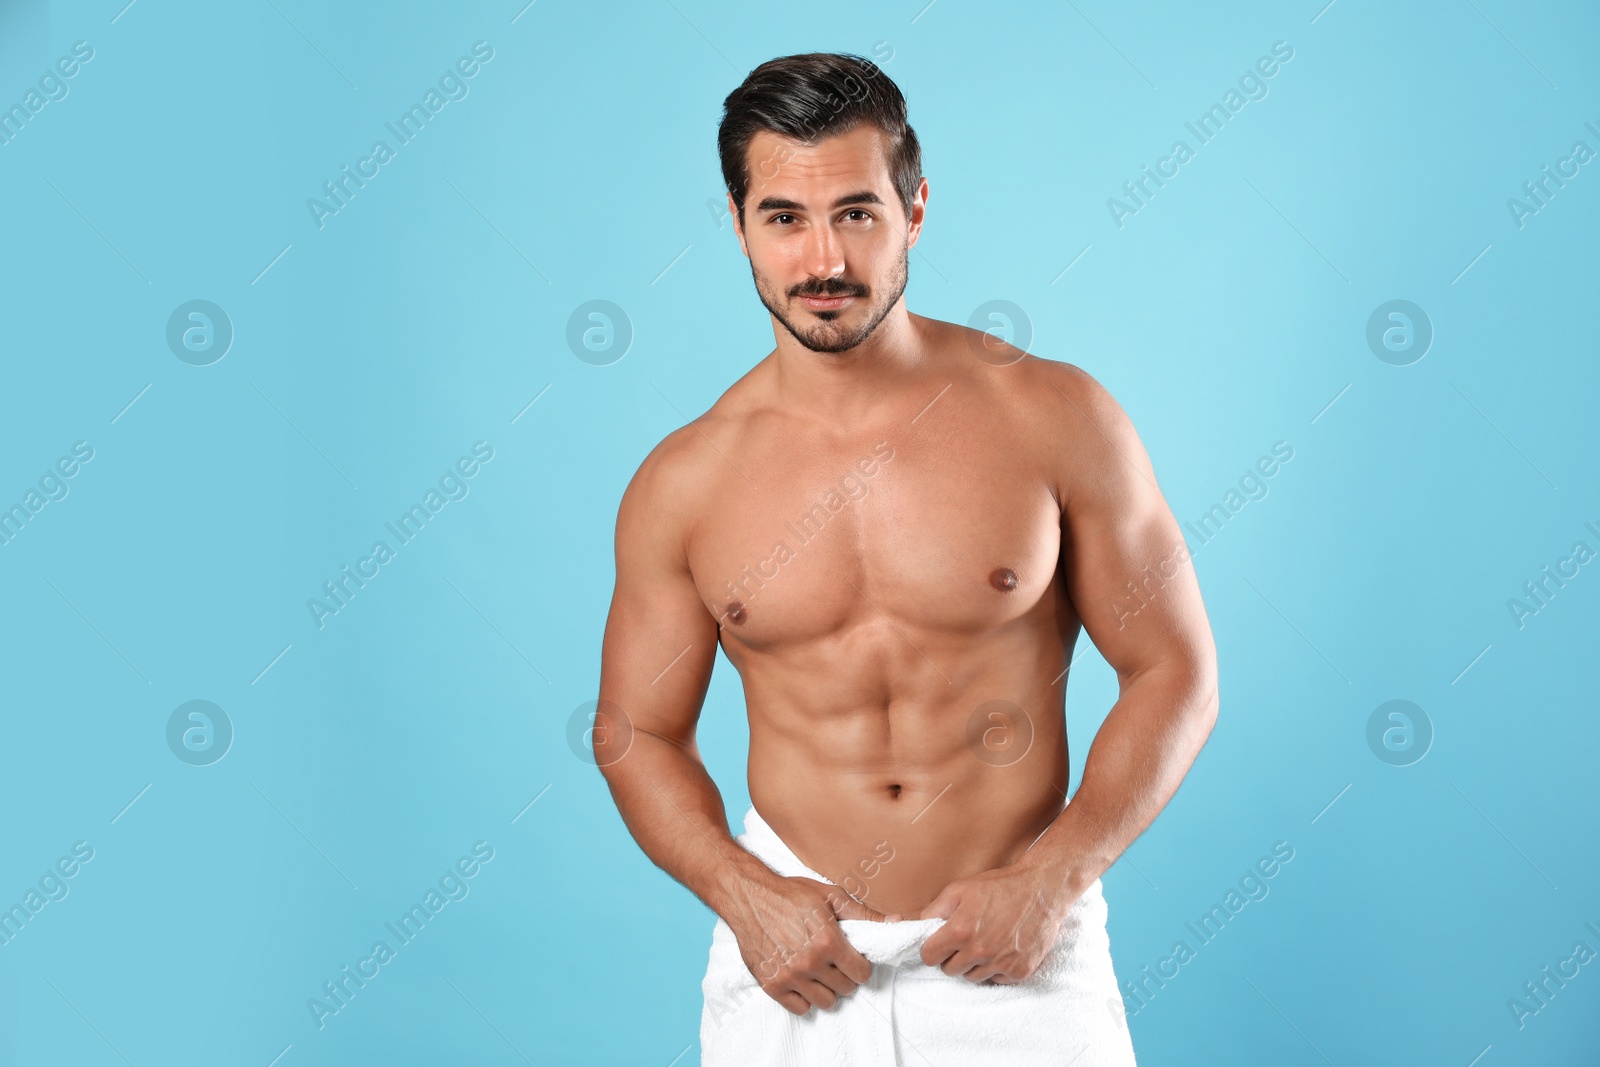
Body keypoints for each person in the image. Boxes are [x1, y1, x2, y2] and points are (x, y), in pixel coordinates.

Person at [594, 51, 1217, 1065]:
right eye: (784, 219)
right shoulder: (685, 480)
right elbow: (635, 729)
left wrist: (1055, 877)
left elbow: (1176, 669)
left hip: (1021, 946)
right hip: (793, 959)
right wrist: (742, 894)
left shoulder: (1055, 416)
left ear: (914, 211)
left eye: (856, 212)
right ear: (739, 224)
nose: (822, 260)